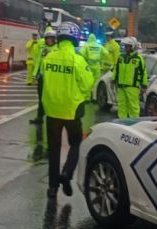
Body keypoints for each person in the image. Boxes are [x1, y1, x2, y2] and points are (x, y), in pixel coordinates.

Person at [39, 21, 93, 198]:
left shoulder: (48, 58)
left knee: (53, 150)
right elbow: (87, 84)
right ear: (74, 38)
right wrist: (80, 95)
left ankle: (52, 188)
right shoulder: (77, 60)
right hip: (72, 110)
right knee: (76, 143)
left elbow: (42, 80)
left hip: (52, 110)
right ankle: (66, 173)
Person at [113, 37, 147, 119]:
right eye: (125, 46)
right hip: (121, 86)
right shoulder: (121, 57)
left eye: (127, 46)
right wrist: (113, 80)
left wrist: (144, 86)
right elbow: (116, 69)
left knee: (133, 107)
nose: (125, 48)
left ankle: (134, 125)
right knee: (121, 107)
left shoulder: (138, 58)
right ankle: (122, 123)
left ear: (132, 46)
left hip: (133, 87)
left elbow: (144, 73)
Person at [30, 28, 57, 124]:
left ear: (54, 39)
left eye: (51, 38)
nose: (49, 40)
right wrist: (34, 76)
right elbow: (38, 63)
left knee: (52, 99)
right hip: (42, 77)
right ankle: (39, 117)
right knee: (41, 99)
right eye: (47, 38)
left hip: (53, 78)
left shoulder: (57, 49)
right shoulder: (43, 49)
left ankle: (53, 117)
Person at [80, 34, 105, 98]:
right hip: (97, 65)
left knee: (88, 81)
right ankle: (94, 97)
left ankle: (88, 97)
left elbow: (81, 53)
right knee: (96, 82)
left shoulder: (87, 46)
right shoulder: (99, 46)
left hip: (89, 66)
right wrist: (100, 58)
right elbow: (106, 52)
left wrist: (86, 58)